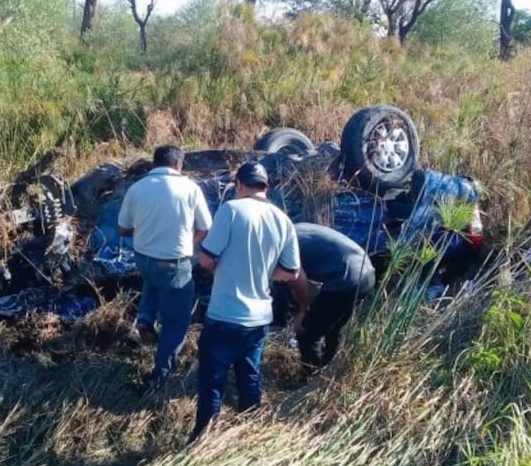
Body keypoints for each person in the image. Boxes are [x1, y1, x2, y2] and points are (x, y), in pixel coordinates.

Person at [190, 161, 301, 442]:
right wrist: (263, 271)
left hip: (225, 314)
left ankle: (202, 442)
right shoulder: (283, 220)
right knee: (250, 378)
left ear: (238, 184)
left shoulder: (231, 210)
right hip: (259, 318)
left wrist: (222, 268)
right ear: (266, 187)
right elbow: (292, 272)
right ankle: (249, 437)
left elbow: (206, 258)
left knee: (212, 382)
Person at [118, 144, 212, 388]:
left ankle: (145, 319)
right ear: (179, 165)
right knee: (177, 323)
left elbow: (122, 228)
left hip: (143, 258)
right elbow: (205, 227)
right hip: (173, 264)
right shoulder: (190, 188)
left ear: (154, 163)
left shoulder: (137, 188)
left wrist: (145, 231)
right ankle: (160, 375)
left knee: (153, 279)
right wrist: (189, 244)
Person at [288, 222, 375, 374]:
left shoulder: (282, 244)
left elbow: (299, 279)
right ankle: (329, 369)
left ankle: (309, 379)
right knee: (333, 326)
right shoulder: (298, 228)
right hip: (367, 272)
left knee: (306, 332)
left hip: (347, 280)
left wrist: (302, 312)